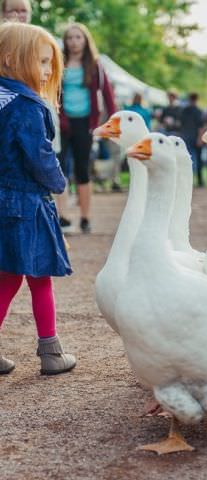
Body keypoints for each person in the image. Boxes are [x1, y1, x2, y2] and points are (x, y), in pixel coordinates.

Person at [0, 22, 76, 375]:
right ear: (10, 59)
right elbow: (40, 156)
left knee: (6, 278)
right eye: (42, 62)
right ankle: (51, 352)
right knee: (39, 277)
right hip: (27, 205)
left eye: (50, 64)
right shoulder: (28, 106)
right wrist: (59, 182)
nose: (47, 71)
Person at [58, 23, 116, 234]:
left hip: (85, 123)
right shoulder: (59, 62)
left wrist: (113, 119)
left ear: (85, 40)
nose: (74, 42)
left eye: (78, 37)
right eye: (70, 38)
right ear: (65, 41)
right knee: (59, 167)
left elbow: (108, 94)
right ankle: (62, 216)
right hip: (62, 122)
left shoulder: (95, 64)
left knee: (82, 169)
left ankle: (85, 217)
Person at [180, 92, 205, 186]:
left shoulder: (184, 110)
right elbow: (201, 127)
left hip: (186, 137)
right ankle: (200, 180)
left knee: (186, 160)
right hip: (195, 137)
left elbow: (181, 124)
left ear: (189, 99)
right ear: (197, 99)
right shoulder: (199, 111)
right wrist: (200, 138)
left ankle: (186, 180)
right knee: (198, 160)